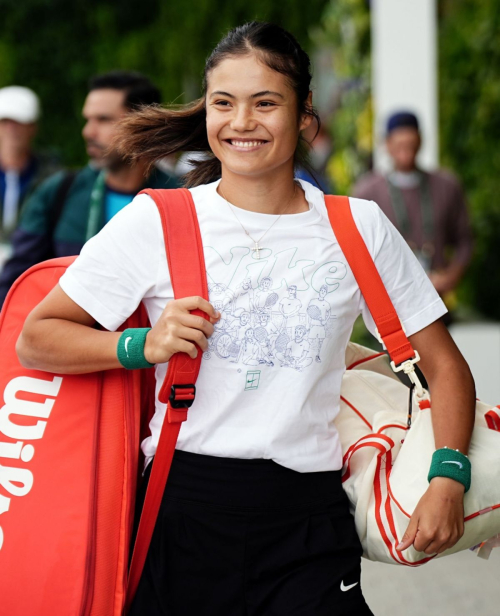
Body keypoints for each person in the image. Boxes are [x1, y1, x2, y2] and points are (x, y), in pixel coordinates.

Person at [17, 22, 475, 616]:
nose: (241, 122)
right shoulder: (157, 219)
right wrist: (140, 345)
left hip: (308, 519)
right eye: (223, 103)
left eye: (266, 103)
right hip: (180, 513)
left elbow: (445, 367)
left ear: (304, 113)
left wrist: (448, 477)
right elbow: (37, 338)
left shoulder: (357, 227)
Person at [0, 71, 180, 307]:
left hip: (152, 341)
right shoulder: (58, 192)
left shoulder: (183, 198)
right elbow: (15, 286)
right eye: (88, 119)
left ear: (144, 124)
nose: (88, 132)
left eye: (103, 119)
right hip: (65, 341)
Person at [353, 111, 473, 300]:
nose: (406, 151)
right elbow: (355, 247)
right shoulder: (367, 193)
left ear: (420, 141)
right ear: (387, 144)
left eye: (411, 144)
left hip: (436, 299)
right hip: (388, 303)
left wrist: (450, 277)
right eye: (400, 144)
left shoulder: (447, 186)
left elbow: (465, 240)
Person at [0, 86, 60, 266]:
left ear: (33, 127)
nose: (12, 129)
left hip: (29, 268)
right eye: (5, 121)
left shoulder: (53, 178)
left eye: (19, 122)